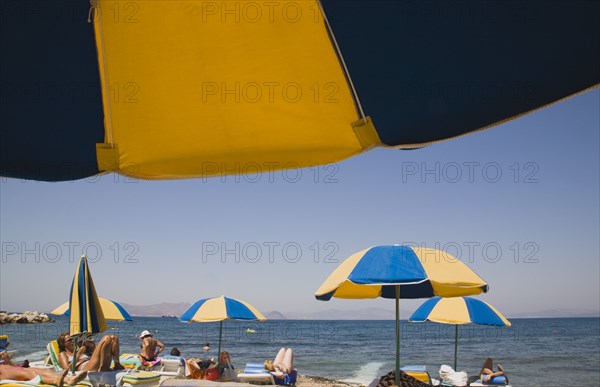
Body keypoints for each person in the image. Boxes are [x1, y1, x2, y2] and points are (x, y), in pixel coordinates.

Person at [57, 332, 124, 372]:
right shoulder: (63, 354)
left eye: (72, 339)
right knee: (107, 338)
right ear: (63, 344)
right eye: (69, 340)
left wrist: (93, 346)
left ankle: (117, 364)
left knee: (114, 338)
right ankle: (102, 367)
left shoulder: (77, 350)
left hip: (92, 363)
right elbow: (66, 370)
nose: (72, 341)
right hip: (86, 367)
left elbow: (96, 355)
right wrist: (78, 355)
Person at [0, 364, 88, 387]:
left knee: (45, 370)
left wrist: (7, 359)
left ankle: (68, 379)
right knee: (30, 373)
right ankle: (55, 381)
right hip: (2, 373)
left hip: (9, 368)